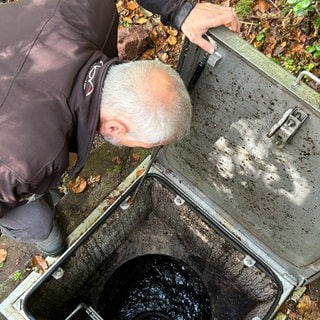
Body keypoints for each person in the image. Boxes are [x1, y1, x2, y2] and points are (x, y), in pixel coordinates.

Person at [0, 0, 240, 256]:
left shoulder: (92, 8)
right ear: (115, 127)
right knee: (35, 221)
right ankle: (42, 227)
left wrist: (180, 10)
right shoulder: (24, 165)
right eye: (140, 143)